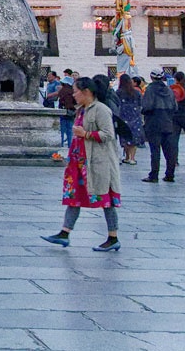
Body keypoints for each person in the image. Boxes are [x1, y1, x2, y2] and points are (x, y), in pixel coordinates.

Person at [41, 76, 122, 252]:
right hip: (79, 163)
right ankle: (64, 232)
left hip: (97, 163)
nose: (74, 94)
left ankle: (113, 236)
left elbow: (108, 134)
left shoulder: (101, 110)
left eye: (76, 91)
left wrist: (85, 134)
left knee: (105, 199)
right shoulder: (82, 110)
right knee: (74, 198)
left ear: (86, 92)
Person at [140, 69, 178, 183]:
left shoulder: (150, 89)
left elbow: (147, 106)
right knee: (169, 151)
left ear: (151, 78)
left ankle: (154, 175)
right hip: (167, 122)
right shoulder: (169, 90)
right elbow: (175, 107)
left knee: (155, 151)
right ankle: (170, 174)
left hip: (153, 123)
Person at [114, 74, 144, 165]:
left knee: (125, 136)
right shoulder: (136, 92)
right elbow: (140, 104)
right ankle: (132, 158)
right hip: (135, 115)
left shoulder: (118, 92)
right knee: (134, 136)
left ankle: (127, 157)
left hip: (123, 116)